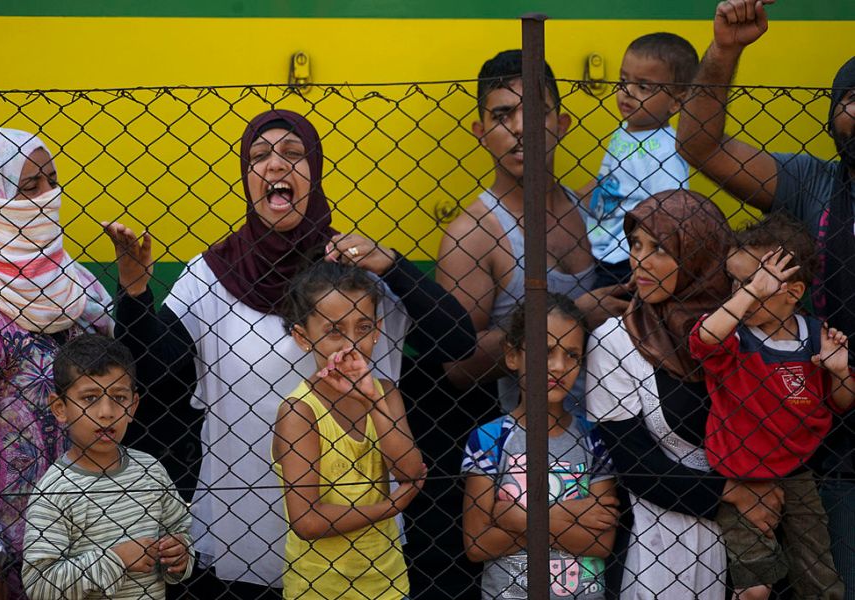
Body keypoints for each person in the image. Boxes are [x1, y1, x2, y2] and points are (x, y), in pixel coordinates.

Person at [104, 109, 475, 598]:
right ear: (246, 176)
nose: (276, 166)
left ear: (315, 172)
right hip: (247, 517)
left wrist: (394, 265)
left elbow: (458, 341)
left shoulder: (354, 273)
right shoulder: (211, 274)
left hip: (360, 540)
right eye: (260, 157)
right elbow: (152, 373)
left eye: (294, 155)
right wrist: (134, 291)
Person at [675, 1, 855, 594]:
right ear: (834, 116)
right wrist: (726, 49)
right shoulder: (815, 184)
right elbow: (702, 148)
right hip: (831, 447)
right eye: (851, 101)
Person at [585, 189, 787, 599]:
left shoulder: (745, 329)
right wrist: (736, 491)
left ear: (700, 255)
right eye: (635, 245)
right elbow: (636, 464)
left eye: (659, 248)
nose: (640, 260)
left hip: (752, 534)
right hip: (657, 543)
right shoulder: (615, 341)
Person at [0, 128, 113, 599]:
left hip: (85, 536)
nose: (48, 197)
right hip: (7, 549)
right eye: (29, 188)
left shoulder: (70, 281)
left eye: (51, 180)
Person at [438, 49, 626, 414]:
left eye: (537, 112)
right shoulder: (475, 235)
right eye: (503, 115)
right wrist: (573, 319)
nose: (521, 128)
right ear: (481, 133)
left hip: (625, 433)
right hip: (539, 448)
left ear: (562, 123)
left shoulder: (595, 208)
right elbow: (458, 368)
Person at [688, 213, 850, 599]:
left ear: (792, 293)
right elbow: (703, 341)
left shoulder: (814, 336)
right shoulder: (735, 335)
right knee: (755, 586)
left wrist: (839, 371)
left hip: (797, 472)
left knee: (820, 580)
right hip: (741, 472)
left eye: (755, 283)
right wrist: (749, 293)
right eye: (736, 282)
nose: (741, 291)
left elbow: (842, 403)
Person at [272, 260, 425, 600]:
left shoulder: (385, 394)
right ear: (303, 337)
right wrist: (389, 508)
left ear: (377, 330)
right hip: (319, 589)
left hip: (387, 585)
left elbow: (411, 471)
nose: (351, 344)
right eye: (334, 331)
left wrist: (372, 400)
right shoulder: (300, 412)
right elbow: (307, 521)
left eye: (362, 327)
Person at [462, 293, 618, 599]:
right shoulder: (490, 439)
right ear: (513, 355)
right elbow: (478, 543)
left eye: (572, 355)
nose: (559, 366)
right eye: (546, 351)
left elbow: (600, 543)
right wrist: (568, 516)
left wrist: (515, 518)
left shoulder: (593, 438)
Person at [22, 334, 194, 599]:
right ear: (60, 408)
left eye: (119, 397)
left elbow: (180, 531)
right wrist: (116, 559)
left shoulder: (151, 471)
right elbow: (40, 586)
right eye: (90, 398)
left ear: (133, 405)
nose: (106, 412)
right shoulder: (54, 491)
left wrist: (180, 554)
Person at [579, 33, 698, 288]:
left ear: (676, 102)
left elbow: (672, 210)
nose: (627, 92)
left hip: (628, 258)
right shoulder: (626, 129)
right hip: (602, 246)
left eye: (643, 87)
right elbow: (610, 178)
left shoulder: (666, 150)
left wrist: (649, 258)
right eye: (623, 80)